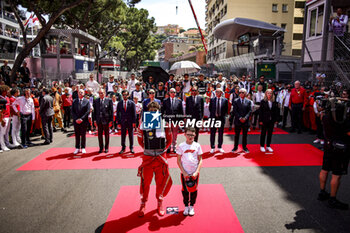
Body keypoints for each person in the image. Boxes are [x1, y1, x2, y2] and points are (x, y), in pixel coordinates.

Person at [137, 101, 172, 217]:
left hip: (161, 158)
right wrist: (148, 150)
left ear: (159, 111)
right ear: (148, 111)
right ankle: (143, 203)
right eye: (151, 110)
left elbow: (169, 139)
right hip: (147, 158)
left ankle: (160, 202)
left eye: (155, 110)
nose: (153, 112)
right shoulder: (142, 124)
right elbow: (140, 140)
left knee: (160, 182)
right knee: (145, 182)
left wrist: (162, 150)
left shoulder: (165, 123)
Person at [318, 97, 350, 210]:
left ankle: (322, 192)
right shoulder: (344, 120)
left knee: (325, 169)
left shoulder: (326, 117)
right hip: (340, 149)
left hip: (328, 146)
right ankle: (332, 198)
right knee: (336, 174)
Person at [177, 127, 203, 216]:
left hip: (194, 173)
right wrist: (183, 172)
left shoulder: (197, 146)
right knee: (185, 190)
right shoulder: (181, 146)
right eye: (188, 134)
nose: (190, 137)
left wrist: (197, 172)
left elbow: (201, 160)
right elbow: (178, 160)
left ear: (195, 135)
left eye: (192, 135)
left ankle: (191, 206)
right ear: (185, 135)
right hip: (184, 173)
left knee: (194, 189)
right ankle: (186, 206)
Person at [162, 88, 183, 153]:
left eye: (174, 92)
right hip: (168, 120)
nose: (173, 93)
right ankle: (168, 147)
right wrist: (164, 120)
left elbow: (181, 112)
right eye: (171, 92)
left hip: (175, 121)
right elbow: (163, 111)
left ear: (175, 93)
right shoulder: (165, 101)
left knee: (175, 134)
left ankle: (174, 147)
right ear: (169, 93)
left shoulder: (179, 101)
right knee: (168, 134)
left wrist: (180, 121)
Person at [231, 88, 252, 153]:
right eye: (240, 92)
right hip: (238, 120)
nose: (241, 93)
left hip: (245, 121)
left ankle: (244, 147)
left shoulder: (248, 101)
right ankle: (235, 147)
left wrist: (245, 118)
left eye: (243, 92)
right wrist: (240, 118)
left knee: (245, 135)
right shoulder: (235, 101)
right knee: (236, 135)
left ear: (245, 94)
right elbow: (235, 111)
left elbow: (249, 111)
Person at [93, 89, 113, 153]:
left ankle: (106, 147)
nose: (101, 94)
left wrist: (111, 120)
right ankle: (101, 148)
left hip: (106, 120)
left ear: (105, 93)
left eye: (102, 93)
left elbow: (111, 111)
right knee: (99, 135)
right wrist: (94, 120)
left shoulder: (109, 100)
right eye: (100, 93)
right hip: (99, 120)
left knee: (107, 134)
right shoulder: (96, 101)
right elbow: (94, 111)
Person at [117, 90, 136, 154]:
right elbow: (118, 113)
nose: (125, 96)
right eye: (123, 95)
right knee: (123, 135)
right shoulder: (119, 103)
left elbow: (134, 113)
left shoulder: (132, 103)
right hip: (123, 121)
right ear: (122, 95)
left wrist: (134, 122)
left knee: (131, 135)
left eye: (126, 95)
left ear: (128, 95)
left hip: (130, 121)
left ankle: (131, 147)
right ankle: (123, 147)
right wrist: (119, 122)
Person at [72, 89, 90, 154]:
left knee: (83, 134)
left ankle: (83, 147)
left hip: (83, 121)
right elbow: (72, 111)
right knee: (77, 135)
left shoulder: (86, 101)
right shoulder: (74, 101)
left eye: (81, 92)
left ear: (84, 93)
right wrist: (76, 119)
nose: (80, 93)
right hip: (76, 121)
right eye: (79, 92)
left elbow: (87, 111)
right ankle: (77, 147)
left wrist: (82, 119)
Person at [209, 88, 228, 153]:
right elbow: (210, 109)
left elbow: (226, 109)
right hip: (213, 118)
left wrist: (222, 115)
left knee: (220, 133)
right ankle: (212, 147)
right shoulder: (212, 100)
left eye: (218, 92)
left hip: (221, 119)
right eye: (216, 92)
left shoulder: (225, 100)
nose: (217, 93)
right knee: (212, 133)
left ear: (221, 93)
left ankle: (220, 146)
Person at [0, 85, 11, 150]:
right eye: (7, 90)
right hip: (3, 117)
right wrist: (2, 119)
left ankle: (7, 143)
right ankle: (2, 146)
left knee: (7, 132)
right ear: (3, 91)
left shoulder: (7, 98)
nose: (8, 92)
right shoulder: (0, 99)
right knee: (2, 132)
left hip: (8, 116)